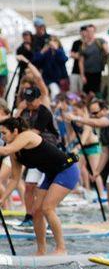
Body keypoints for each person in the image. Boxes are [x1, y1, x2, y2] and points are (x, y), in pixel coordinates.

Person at [0, 117, 80, 255]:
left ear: (15, 131)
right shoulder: (15, 153)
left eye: (4, 133)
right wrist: (2, 200)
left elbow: (5, 151)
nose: (2, 136)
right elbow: (14, 179)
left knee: (47, 208)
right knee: (36, 211)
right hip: (50, 174)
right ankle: (41, 250)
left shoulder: (27, 136)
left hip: (66, 170)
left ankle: (61, 249)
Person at [15, 55, 61, 227]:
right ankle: (29, 216)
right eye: (26, 101)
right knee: (28, 186)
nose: (29, 104)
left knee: (46, 190)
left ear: (39, 99)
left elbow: (31, 135)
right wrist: (18, 113)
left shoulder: (44, 108)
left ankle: (48, 218)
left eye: (31, 101)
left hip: (50, 153)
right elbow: (13, 128)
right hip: (34, 155)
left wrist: (27, 63)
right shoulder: (25, 110)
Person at [67, 101, 105, 195]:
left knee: (94, 171)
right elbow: (71, 137)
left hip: (93, 147)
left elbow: (83, 139)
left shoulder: (87, 122)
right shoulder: (76, 122)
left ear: (83, 109)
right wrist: (69, 124)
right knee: (75, 168)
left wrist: (77, 148)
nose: (74, 113)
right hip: (82, 148)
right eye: (73, 111)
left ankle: (101, 194)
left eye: (76, 111)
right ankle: (78, 190)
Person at [80, 25, 109, 96]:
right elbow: (81, 61)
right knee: (86, 93)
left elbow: (107, 51)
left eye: (91, 31)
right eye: (88, 31)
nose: (90, 33)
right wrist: (82, 75)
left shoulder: (99, 41)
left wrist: (105, 50)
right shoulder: (83, 45)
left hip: (97, 71)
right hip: (87, 72)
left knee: (96, 92)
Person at [69, 26, 88, 94]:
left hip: (86, 71)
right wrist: (80, 55)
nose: (83, 33)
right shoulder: (76, 43)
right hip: (75, 70)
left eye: (85, 31)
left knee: (83, 92)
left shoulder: (89, 43)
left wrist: (78, 55)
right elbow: (71, 54)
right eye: (82, 32)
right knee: (73, 91)